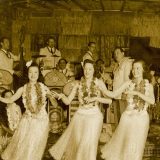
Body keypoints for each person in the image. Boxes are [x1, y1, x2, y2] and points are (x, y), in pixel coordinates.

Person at [48, 59, 131, 160]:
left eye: (90, 69)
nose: (87, 71)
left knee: (88, 144)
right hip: (80, 116)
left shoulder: (98, 83)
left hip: (94, 116)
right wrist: (60, 96)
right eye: (85, 69)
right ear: (83, 70)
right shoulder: (78, 84)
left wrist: (96, 98)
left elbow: (109, 100)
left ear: (93, 70)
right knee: (79, 144)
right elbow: (68, 101)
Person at [0, 62, 56, 160]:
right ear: (27, 74)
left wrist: (51, 97)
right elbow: (10, 100)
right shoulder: (23, 88)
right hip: (28, 120)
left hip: (41, 121)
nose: (33, 75)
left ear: (39, 74)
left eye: (35, 72)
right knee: (27, 145)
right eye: (31, 72)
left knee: (37, 146)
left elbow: (55, 104)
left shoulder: (43, 88)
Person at [101, 60, 155, 160]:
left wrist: (137, 93)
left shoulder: (149, 86)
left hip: (141, 119)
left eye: (138, 68)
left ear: (143, 70)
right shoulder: (128, 83)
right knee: (126, 146)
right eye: (133, 68)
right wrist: (101, 86)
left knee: (137, 148)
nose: (135, 70)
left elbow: (152, 101)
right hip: (128, 119)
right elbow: (113, 94)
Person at [112, 47, 133, 123]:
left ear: (123, 53)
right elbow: (118, 80)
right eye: (115, 53)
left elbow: (127, 80)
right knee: (118, 117)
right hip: (116, 95)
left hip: (122, 95)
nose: (116, 55)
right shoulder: (118, 65)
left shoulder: (126, 63)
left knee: (123, 117)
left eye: (118, 53)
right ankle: (118, 133)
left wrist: (125, 93)